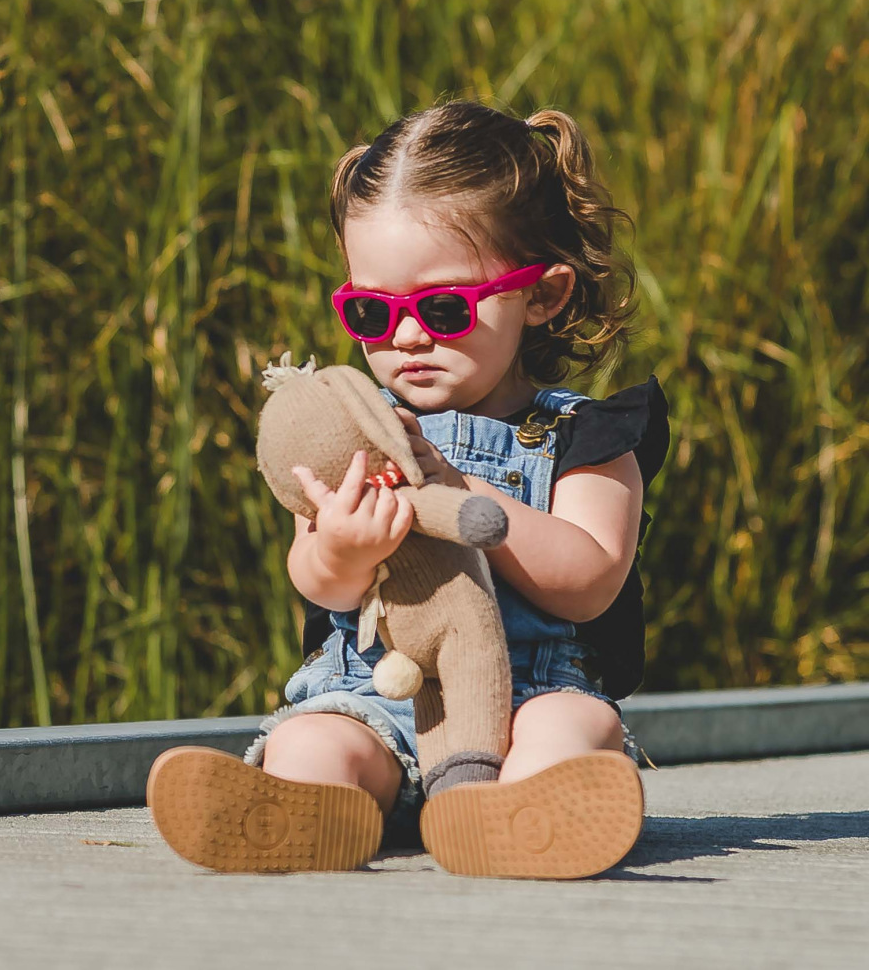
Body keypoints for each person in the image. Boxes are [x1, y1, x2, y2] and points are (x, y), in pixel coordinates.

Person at [147, 100, 670, 877]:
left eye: (446, 307)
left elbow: (589, 582)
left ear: (543, 295)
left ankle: (524, 816)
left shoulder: (583, 437)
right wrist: (343, 551)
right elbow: (315, 578)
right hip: (377, 693)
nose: (406, 336)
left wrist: (454, 487)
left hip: (527, 699)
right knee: (312, 738)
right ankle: (304, 812)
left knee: (572, 729)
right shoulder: (353, 425)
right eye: (371, 310)